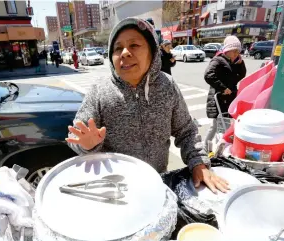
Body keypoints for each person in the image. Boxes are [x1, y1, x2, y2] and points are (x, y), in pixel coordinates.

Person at [66, 18, 229, 194]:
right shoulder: (99, 91)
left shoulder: (167, 86)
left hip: (157, 183)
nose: (125, 53)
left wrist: (198, 163)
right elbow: (76, 135)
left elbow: (186, 131)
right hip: (114, 188)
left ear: (152, 51)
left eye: (134, 45)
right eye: (118, 48)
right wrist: (86, 145)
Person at [204, 36, 247, 152]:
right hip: (218, 98)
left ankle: (221, 148)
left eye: (238, 51)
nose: (237, 53)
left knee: (225, 125)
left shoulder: (235, 62)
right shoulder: (218, 60)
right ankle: (205, 148)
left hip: (230, 98)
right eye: (234, 51)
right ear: (227, 50)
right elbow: (208, 75)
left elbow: (242, 75)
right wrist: (223, 88)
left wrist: (240, 63)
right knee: (215, 126)